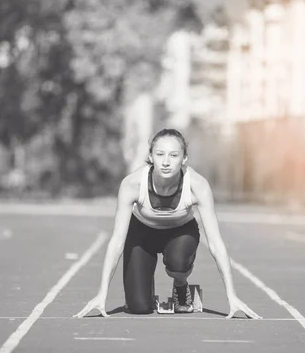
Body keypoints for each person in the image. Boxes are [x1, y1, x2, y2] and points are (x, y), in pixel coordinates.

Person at [73, 128, 261, 319]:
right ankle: (145, 294)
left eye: (173, 155)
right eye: (160, 154)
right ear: (150, 156)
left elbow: (216, 243)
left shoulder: (198, 185)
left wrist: (232, 296)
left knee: (178, 263)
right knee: (138, 307)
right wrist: (101, 294)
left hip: (180, 233)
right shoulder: (132, 184)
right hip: (141, 235)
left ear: (184, 158)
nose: (165, 162)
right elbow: (117, 241)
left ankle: (181, 286)